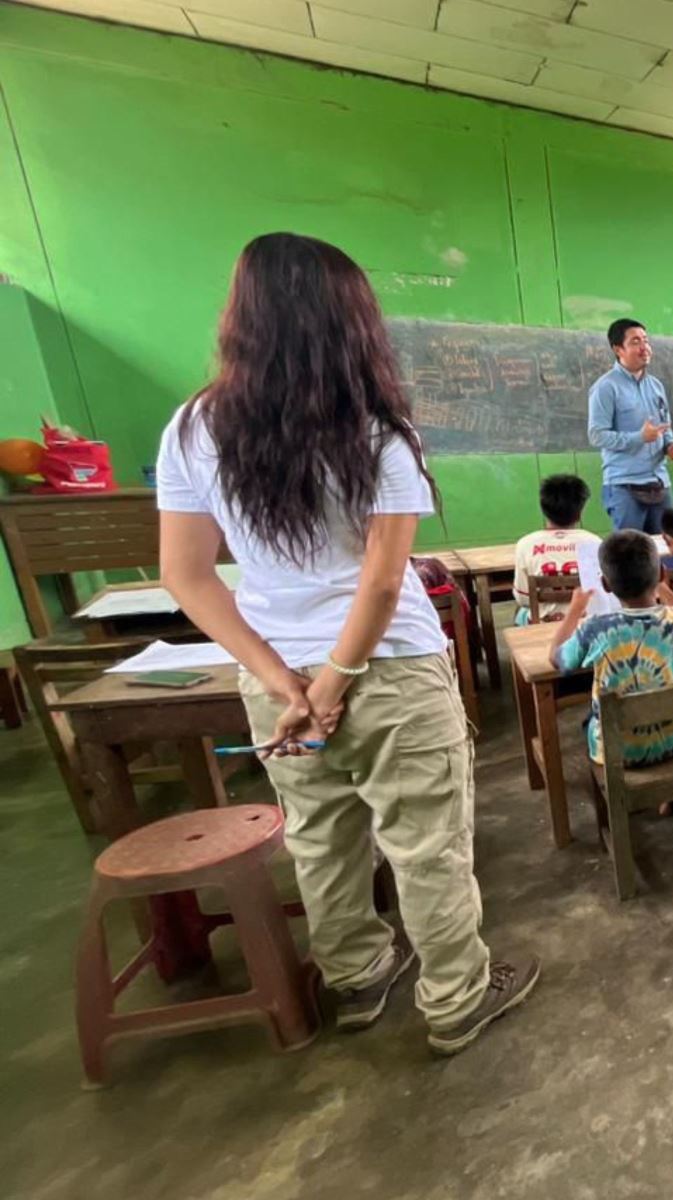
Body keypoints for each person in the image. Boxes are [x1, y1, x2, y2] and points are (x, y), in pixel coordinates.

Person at [157, 232, 536, 1057]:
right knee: (427, 844)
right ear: (350, 324)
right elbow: (381, 583)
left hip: (276, 674)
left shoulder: (191, 429)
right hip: (390, 672)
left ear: (241, 316)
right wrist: (334, 682)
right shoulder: (380, 434)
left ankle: (357, 980)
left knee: (320, 835)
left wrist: (283, 682)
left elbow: (186, 576)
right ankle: (456, 999)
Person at [550, 530, 673, 770]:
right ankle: (670, 799)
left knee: (587, 723)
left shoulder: (595, 630)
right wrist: (662, 588)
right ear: (663, 574)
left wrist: (574, 611)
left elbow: (558, 660)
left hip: (620, 754)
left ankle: (618, 799)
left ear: (605, 584)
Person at [587, 318, 673, 534]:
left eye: (646, 341)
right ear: (618, 349)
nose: (644, 348)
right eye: (636, 342)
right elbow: (596, 435)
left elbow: (664, 426)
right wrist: (639, 437)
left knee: (666, 553)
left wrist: (671, 445)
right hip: (624, 486)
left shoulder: (656, 385)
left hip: (660, 482)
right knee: (629, 556)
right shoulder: (606, 387)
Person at [512, 473, 602, 623]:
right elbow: (601, 595)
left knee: (519, 612)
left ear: (544, 510)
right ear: (579, 513)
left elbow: (524, 598)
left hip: (543, 622)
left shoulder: (526, 544)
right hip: (585, 622)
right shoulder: (594, 542)